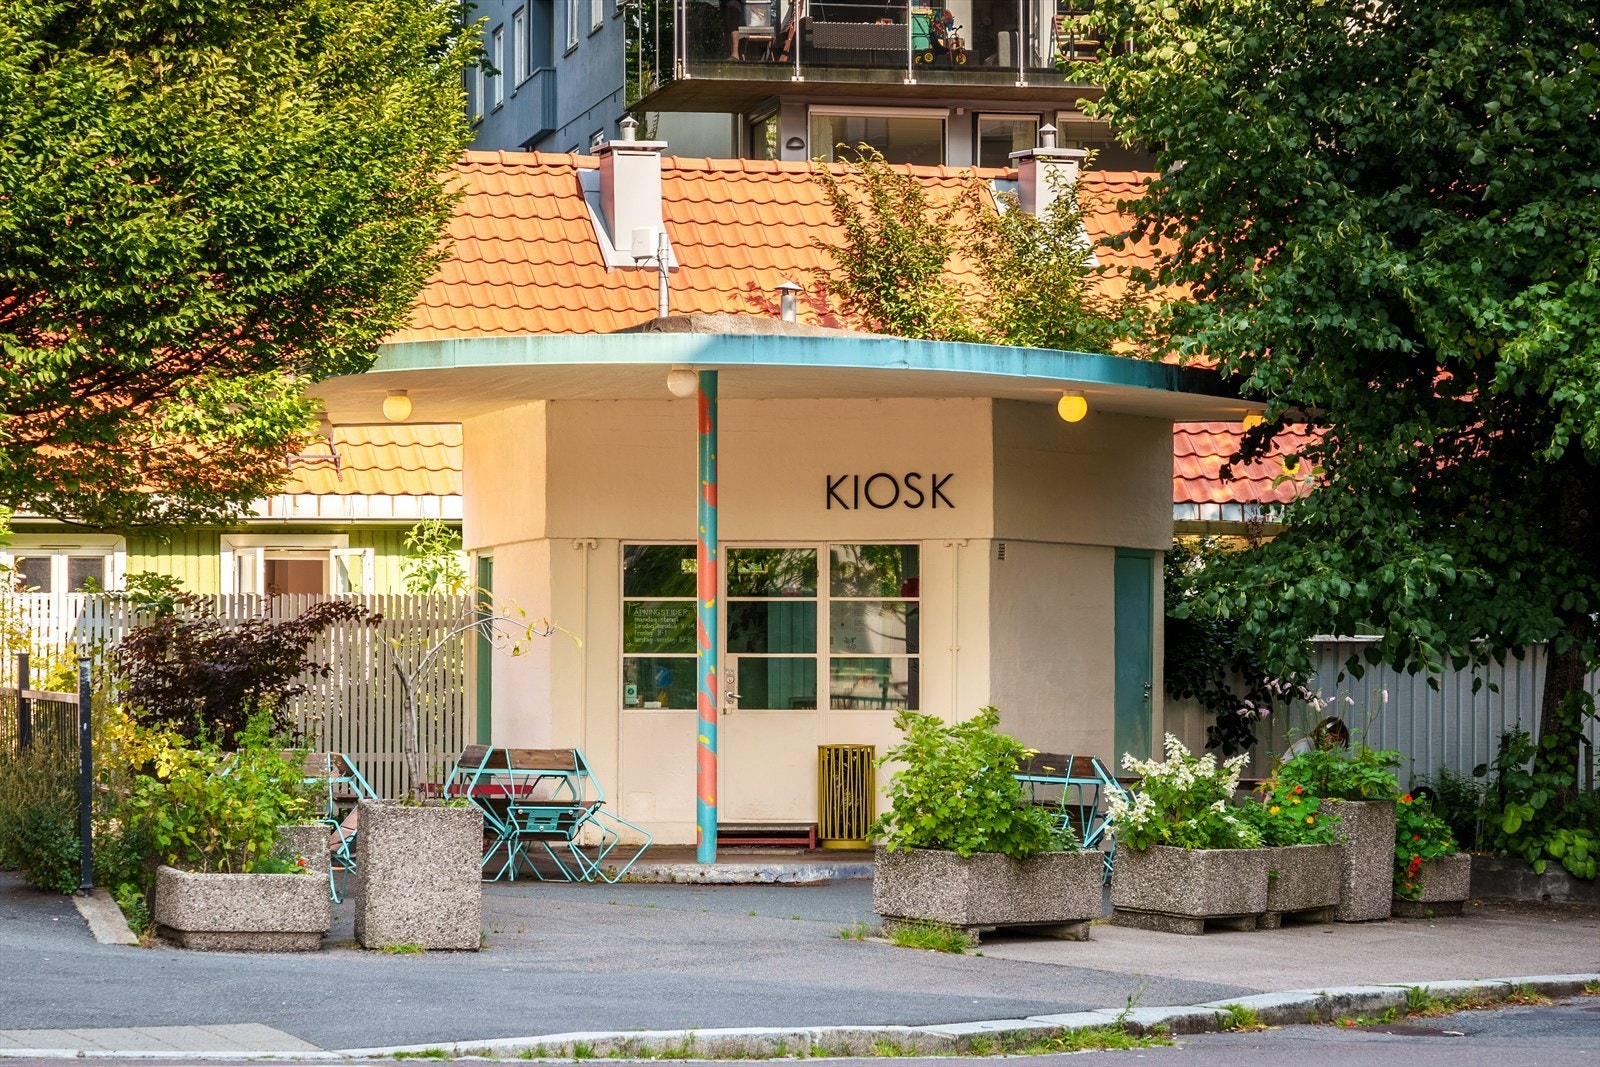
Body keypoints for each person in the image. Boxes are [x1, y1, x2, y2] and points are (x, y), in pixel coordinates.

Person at [1281, 715, 1351, 760]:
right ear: (1323, 732)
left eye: (1338, 741)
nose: (1334, 745)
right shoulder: (1305, 746)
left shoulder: (1319, 750)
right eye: (1334, 739)